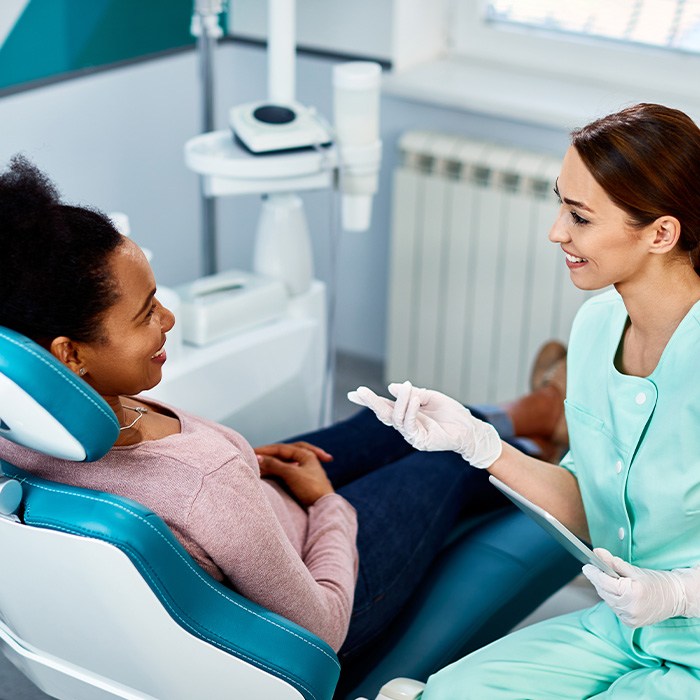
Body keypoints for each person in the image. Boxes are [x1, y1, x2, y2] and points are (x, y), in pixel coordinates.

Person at [0, 155, 567, 663]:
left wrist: (242, 463)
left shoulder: (30, 425)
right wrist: (326, 504)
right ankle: (571, 465)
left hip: (246, 511)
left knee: (386, 420)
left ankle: (534, 413)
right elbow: (322, 629)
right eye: (146, 312)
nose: (168, 319)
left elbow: (187, 493)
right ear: (69, 354)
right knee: (445, 457)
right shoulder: (207, 484)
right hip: (330, 591)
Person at [351, 102, 700, 697]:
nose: (556, 231)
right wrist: (478, 444)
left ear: (661, 233)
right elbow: (591, 505)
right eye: (559, 203)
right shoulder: (594, 329)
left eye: (580, 216)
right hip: (625, 631)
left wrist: (679, 594)